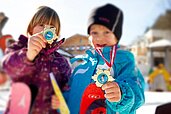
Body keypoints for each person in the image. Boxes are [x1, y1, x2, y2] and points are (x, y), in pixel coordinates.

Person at [52, 3, 145, 114]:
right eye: (94, 32)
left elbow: (137, 91)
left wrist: (122, 94)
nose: (100, 37)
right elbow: (72, 93)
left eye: (107, 32)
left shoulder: (123, 61)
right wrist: (62, 101)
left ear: (116, 35)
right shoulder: (81, 67)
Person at [2, 6, 71, 114]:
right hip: (19, 109)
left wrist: (62, 99)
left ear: (56, 34)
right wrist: (28, 55)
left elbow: (68, 88)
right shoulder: (18, 48)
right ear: (31, 28)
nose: (45, 30)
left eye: (51, 27)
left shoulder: (61, 61)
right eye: (41, 25)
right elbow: (7, 68)